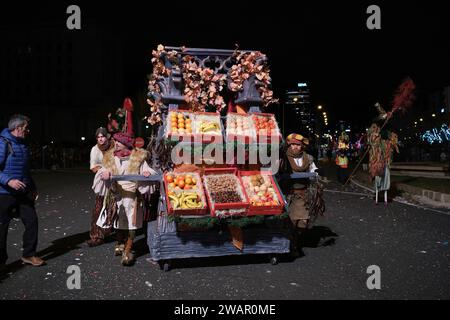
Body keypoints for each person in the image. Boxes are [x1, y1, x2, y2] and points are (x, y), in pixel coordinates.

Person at [93, 132, 157, 266]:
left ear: (126, 144)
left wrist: (146, 173)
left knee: (132, 222)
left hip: (131, 196)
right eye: (115, 141)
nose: (115, 144)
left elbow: (150, 171)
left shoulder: (137, 157)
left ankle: (128, 249)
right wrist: (103, 173)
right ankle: (120, 242)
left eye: (118, 142)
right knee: (118, 220)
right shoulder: (110, 158)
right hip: (116, 194)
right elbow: (102, 170)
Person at [0, 114, 45, 269]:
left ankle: (29, 254)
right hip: (4, 193)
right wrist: (8, 181)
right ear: (18, 128)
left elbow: (25, 171)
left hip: (23, 192)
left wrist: (32, 188)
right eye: (25, 128)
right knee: (2, 227)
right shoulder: (2, 142)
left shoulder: (23, 145)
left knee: (32, 221)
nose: (27, 130)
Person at [86, 127, 114, 247]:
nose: (100, 139)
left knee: (114, 206)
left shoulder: (114, 146)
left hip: (115, 178)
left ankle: (115, 233)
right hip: (102, 180)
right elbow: (93, 167)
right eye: (98, 137)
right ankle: (96, 235)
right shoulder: (95, 149)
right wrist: (104, 170)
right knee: (99, 206)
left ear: (107, 137)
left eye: (102, 136)